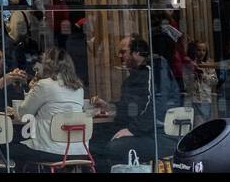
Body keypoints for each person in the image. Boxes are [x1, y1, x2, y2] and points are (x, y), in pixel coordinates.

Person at [91, 35, 179, 167]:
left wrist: (133, 130)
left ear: (137, 52)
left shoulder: (156, 68)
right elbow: (130, 106)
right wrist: (109, 106)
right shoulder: (133, 77)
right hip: (144, 132)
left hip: (160, 134)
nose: (120, 56)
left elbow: (157, 104)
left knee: (110, 148)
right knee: (93, 142)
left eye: (123, 52)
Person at [14, 48, 87, 170]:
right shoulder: (79, 88)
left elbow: (23, 115)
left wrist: (32, 89)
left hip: (52, 150)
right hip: (79, 150)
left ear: (47, 65)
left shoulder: (44, 85)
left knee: (10, 149)